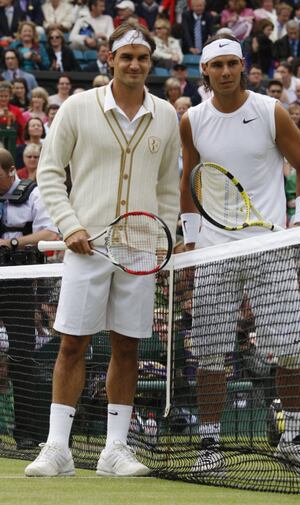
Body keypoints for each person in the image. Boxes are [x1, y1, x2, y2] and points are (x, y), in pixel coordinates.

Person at [25, 21, 180, 478]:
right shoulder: (76, 107)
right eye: (126, 56)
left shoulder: (166, 115)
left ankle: (114, 450)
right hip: (86, 246)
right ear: (109, 59)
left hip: (140, 252)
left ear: (150, 63)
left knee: (128, 347)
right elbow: (49, 173)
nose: (135, 64)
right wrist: (69, 225)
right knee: (72, 344)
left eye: (143, 57)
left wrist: (162, 237)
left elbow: (169, 188)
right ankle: (58, 449)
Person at [179, 33, 300, 474]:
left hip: (269, 249)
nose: (224, 72)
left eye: (231, 65)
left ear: (243, 67)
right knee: (209, 356)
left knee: (291, 353)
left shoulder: (268, 111)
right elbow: (190, 180)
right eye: (216, 65)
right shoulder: (192, 120)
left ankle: (294, 441)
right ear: (205, 70)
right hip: (213, 252)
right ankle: (209, 446)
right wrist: (189, 240)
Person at [0, 147, 58, 450]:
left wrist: (13, 242)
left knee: (22, 356)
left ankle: (28, 433)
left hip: (19, 285)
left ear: (10, 171)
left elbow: (50, 234)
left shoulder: (33, 193)